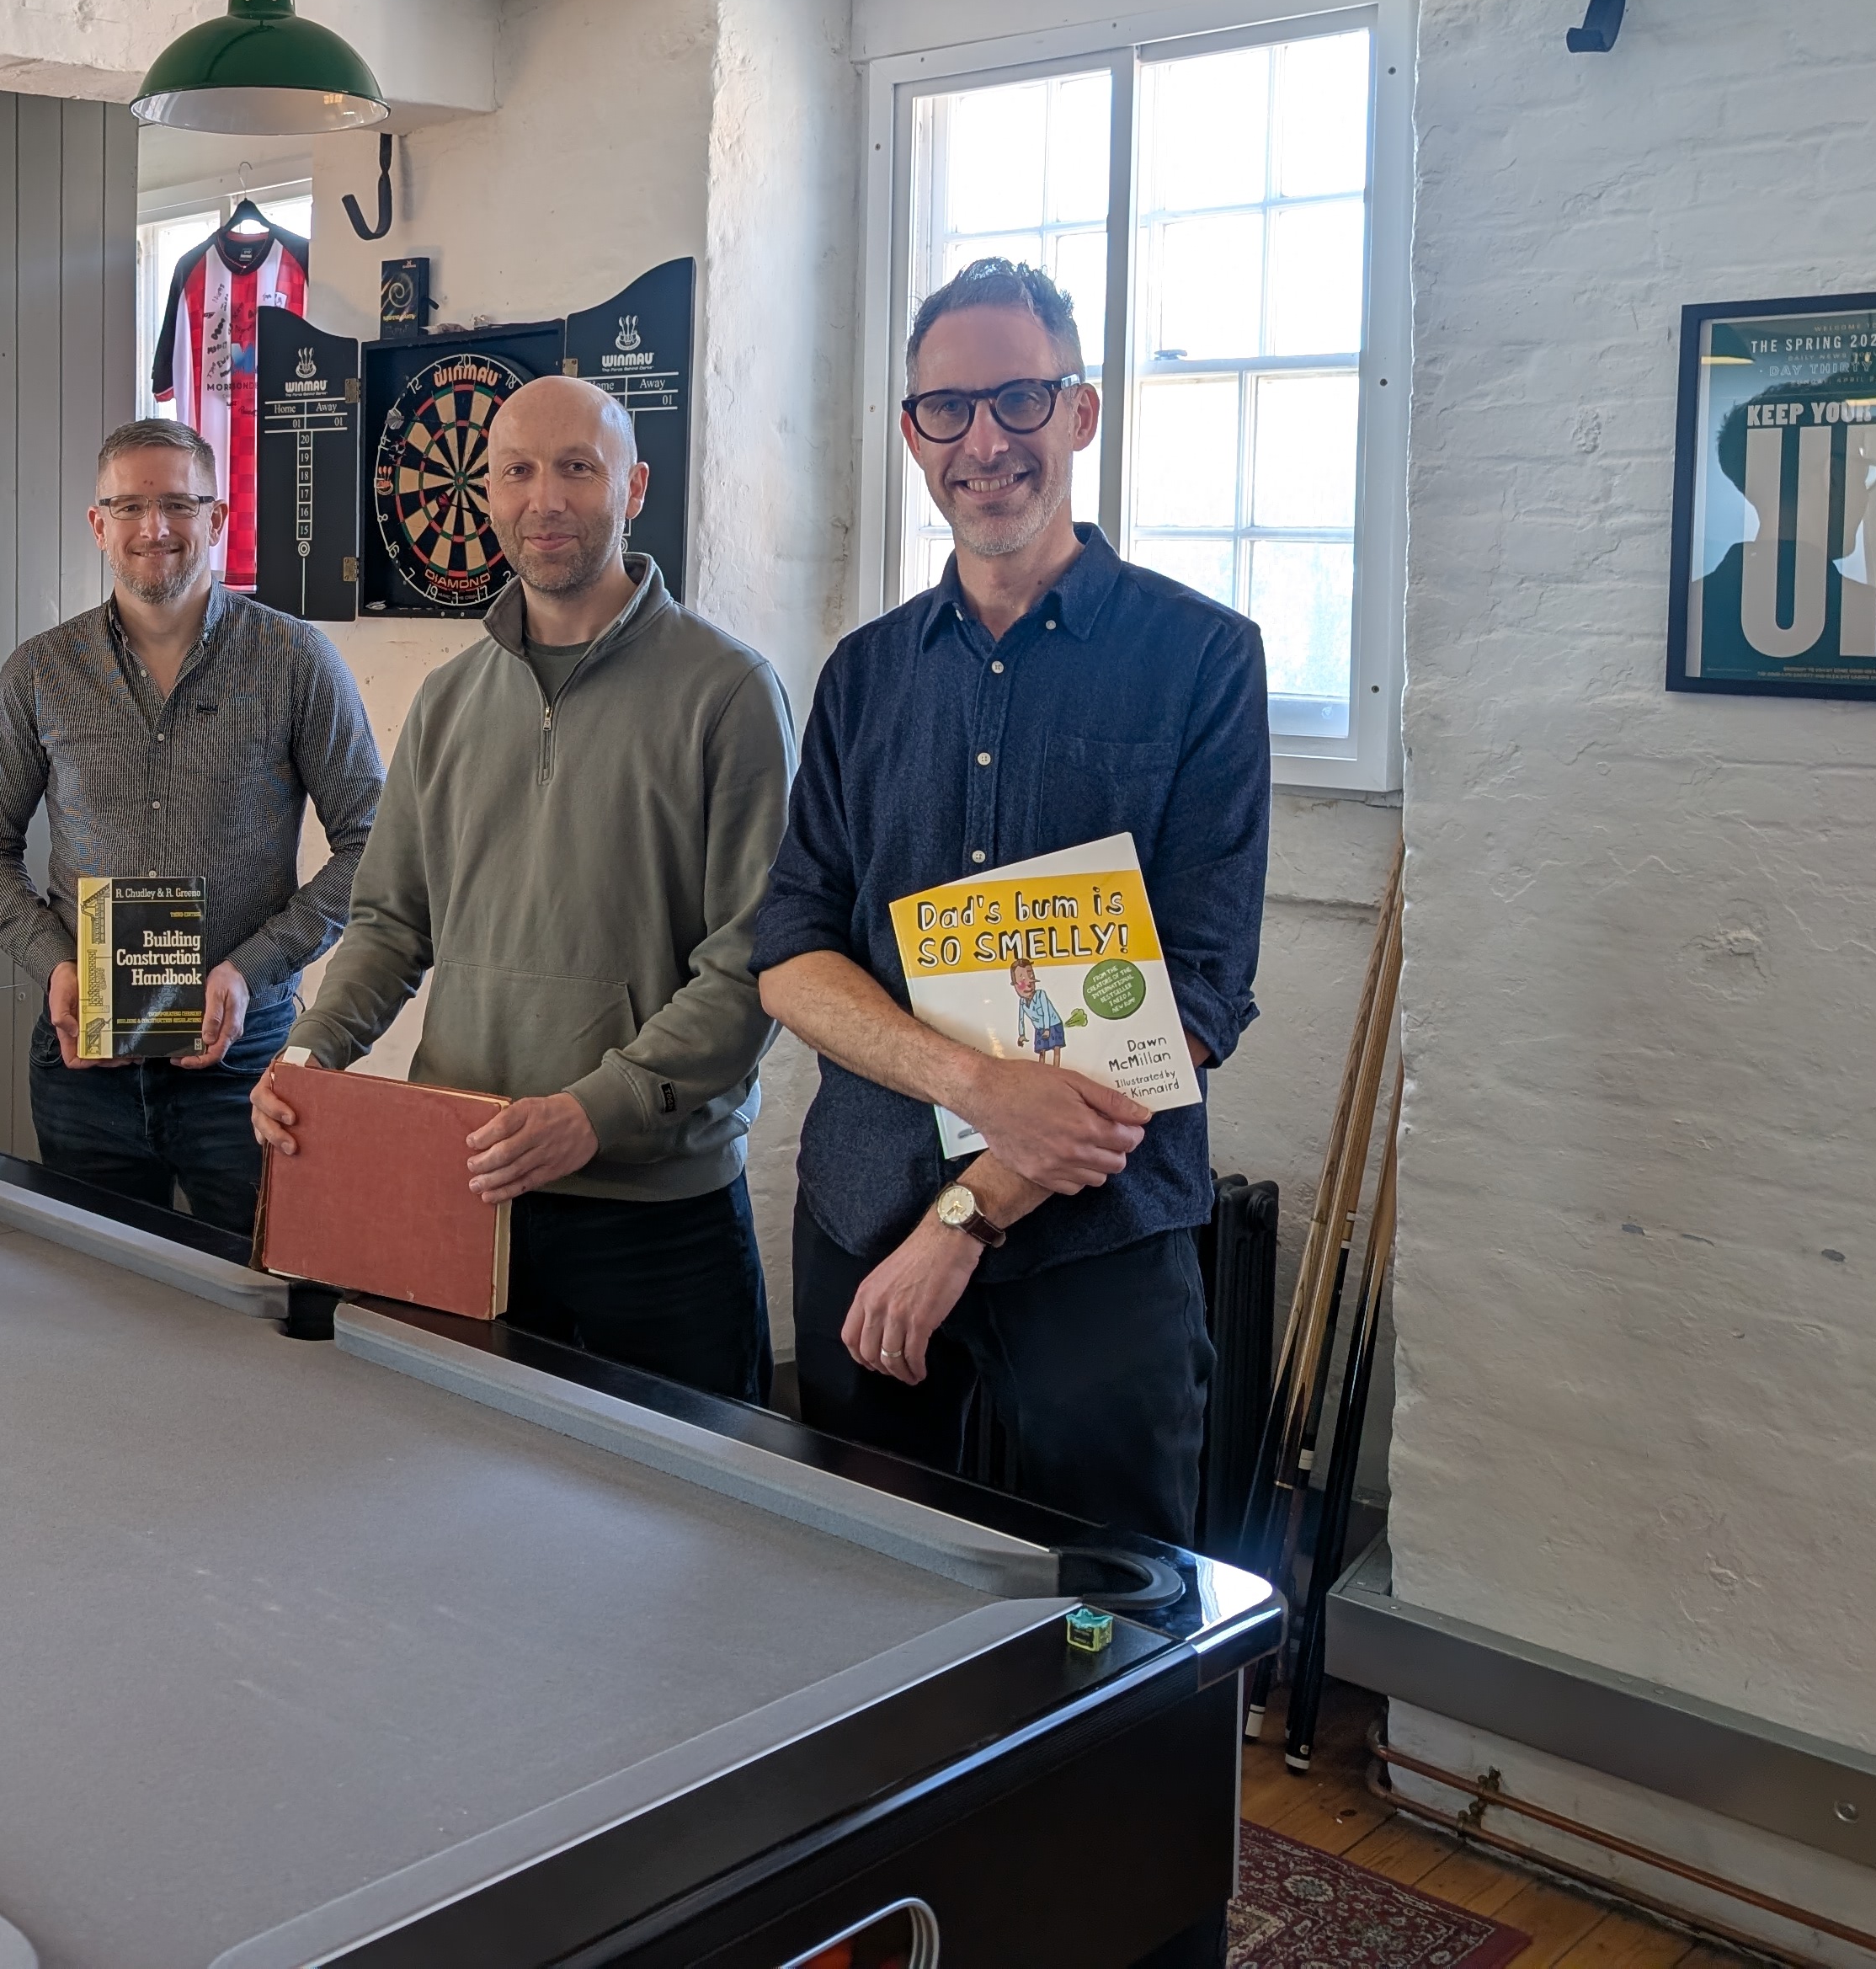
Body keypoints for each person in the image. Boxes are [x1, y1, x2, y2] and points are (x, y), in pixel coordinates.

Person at [753, 256, 1270, 1553]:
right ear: (914, 433)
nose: (985, 442)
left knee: (1114, 1618)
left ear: (1081, 414)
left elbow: (1198, 994)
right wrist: (977, 1090)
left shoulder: (1204, 660)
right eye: (948, 409)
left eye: (1020, 401)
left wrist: (971, 1210)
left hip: (1095, 1241)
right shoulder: (865, 676)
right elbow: (792, 951)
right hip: (859, 1218)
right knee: (867, 1594)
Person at [252, 376, 795, 1401]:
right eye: (516, 472)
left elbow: (751, 962)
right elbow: (390, 919)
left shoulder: (729, 694)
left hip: (655, 1217)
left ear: (633, 486)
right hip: (464, 1188)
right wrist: (312, 1055)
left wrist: (600, 1107)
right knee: (461, 1513)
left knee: (682, 1533)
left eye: (576, 469)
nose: (544, 498)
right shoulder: (452, 699)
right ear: (487, 496)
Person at [0, 417, 383, 1237]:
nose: (154, 529)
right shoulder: (40, 672)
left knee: (261, 1287)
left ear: (217, 519)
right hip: (85, 1063)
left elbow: (378, 841)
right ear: (98, 524)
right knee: (99, 1298)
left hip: (244, 1062)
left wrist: (250, 968)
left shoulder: (295, 660)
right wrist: (53, 965)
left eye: (179, 505)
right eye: (128, 507)